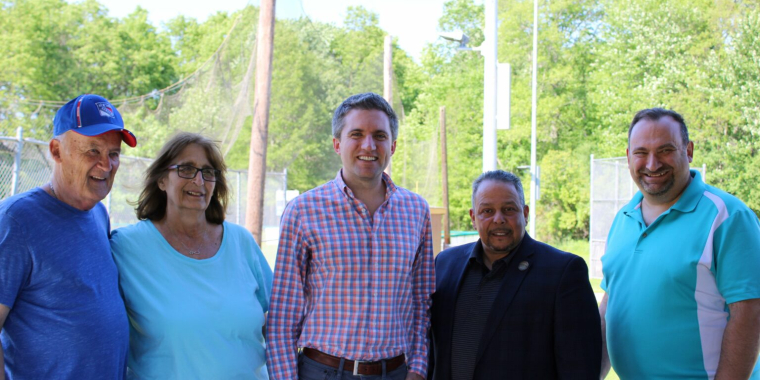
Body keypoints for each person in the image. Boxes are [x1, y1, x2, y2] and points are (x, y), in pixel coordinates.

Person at [266, 92, 435, 380]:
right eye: (356, 134)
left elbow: (422, 303)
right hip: (323, 372)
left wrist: (418, 369)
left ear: (392, 146)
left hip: (395, 372)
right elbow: (283, 317)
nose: (368, 145)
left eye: (379, 136)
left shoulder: (416, 211)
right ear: (337, 144)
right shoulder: (303, 212)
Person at [600, 108, 760, 379]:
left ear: (688, 151)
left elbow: (749, 314)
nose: (652, 164)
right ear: (628, 157)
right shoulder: (624, 218)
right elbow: (610, 303)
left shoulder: (727, 216)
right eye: (641, 153)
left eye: (665, 150)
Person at [109, 132, 272, 379]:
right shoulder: (126, 247)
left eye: (208, 172)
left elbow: (281, 321)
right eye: (186, 169)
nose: (199, 181)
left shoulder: (241, 242)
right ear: (162, 179)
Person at [0, 94, 136, 379]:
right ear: (57, 151)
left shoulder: (98, 214)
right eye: (92, 151)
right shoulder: (15, 221)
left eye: (113, 154)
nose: (106, 165)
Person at [428, 170, 601, 380]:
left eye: (509, 209)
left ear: (525, 213)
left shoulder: (563, 272)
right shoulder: (445, 264)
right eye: (487, 211)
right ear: (473, 218)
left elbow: (580, 368)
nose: (498, 219)